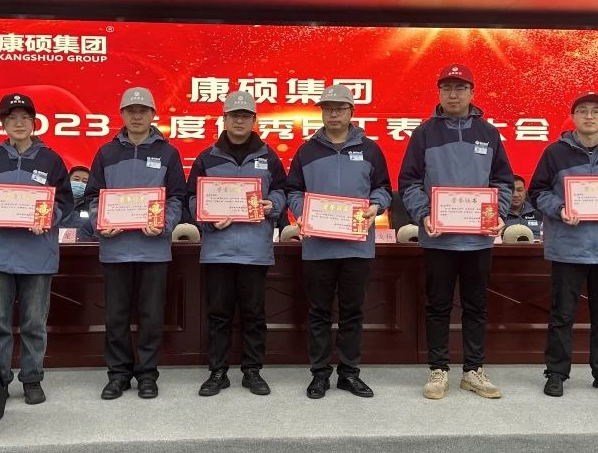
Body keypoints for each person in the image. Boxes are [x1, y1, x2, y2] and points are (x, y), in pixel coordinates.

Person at [399, 63, 513, 400]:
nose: (453, 94)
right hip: (439, 238)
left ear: (472, 93)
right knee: (438, 306)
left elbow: (503, 181)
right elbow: (409, 182)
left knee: (476, 306)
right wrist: (424, 214)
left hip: (478, 240)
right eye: (447, 88)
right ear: (439, 92)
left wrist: (499, 213)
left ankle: (473, 370)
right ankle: (438, 370)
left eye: (460, 88)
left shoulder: (489, 133)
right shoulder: (423, 134)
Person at [285, 84, 391, 399]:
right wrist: (301, 213)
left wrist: (376, 206)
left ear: (351, 112)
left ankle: (349, 373)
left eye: (340, 108)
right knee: (318, 312)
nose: (333, 114)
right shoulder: (306, 151)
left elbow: (383, 189)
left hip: (357, 247)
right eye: (327, 108)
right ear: (321, 112)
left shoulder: (370, 150)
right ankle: (319, 374)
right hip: (318, 247)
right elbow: (293, 191)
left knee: (352, 312)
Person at [0, 94, 73, 404]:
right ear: (3, 123)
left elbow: (65, 201)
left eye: (25, 117)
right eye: (12, 118)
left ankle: (32, 378)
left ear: (34, 122)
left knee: (34, 324)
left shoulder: (51, 160)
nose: (19, 123)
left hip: (37, 254)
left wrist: (47, 218)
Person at [528, 92, 598, 399]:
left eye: (596, 112)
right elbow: (537, 192)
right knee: (562, 314)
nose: (589, 116)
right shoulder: (555, 153)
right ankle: (556, 372)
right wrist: (560, 208)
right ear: (573, 117)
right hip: (568, 247)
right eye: (583, 111)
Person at [188, 91, 287, 397]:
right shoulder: (207, 157)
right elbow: (192, 198)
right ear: (225, 119)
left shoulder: (269, 157)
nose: (239, 121)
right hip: (218, 249)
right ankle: (218, 372)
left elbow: (283, 190)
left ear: (254, 120)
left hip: (255, 250)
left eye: (245, 116)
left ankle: (252, 371)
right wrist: (206, 219)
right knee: (218, 314)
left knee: (254, 314)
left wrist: (274, 204)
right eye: (234, 116)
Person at [89, 87, 186, 400]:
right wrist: (101, 223)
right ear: (122, 115)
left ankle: (147, 374)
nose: (137, 116)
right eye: (131, 110)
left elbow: (177, 198)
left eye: (143, 110)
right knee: (115, 316)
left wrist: (164, 224)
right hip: (115, 250)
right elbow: (92, 197)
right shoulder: (106, 153)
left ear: (153, 115)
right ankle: (118, 375)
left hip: (153, 249)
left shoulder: (168, 153)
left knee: (151, 316)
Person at [58, 165, 94, 237]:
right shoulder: (57, 202)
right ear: (68, 180)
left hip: (82, 242)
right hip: (55, 241)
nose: (80, 183)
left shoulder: (92, 205)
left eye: (85, 181)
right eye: (76, 179)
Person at [502, 174, 542, 239]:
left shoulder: (539, 213)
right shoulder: (498, 215)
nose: (515, 195)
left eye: (519, 190)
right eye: (512, 190)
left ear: (525, 193)